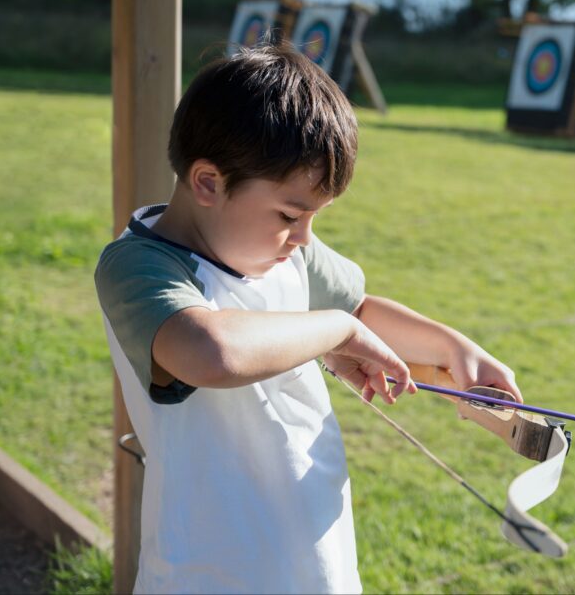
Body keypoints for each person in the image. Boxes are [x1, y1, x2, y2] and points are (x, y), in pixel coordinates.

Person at [95, 44, 522, 594]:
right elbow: (210, 352)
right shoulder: (139, 266)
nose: (303, 238)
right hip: (208, 569)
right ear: (207, 183)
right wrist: (338, 333)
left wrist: (453, 349)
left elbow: (359, 308)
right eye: (290, 215)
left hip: (317, 556)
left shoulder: (284, 252)